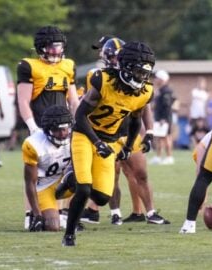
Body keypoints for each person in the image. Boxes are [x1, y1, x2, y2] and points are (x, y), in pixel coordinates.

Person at [62, 41, 156, 247]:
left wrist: (129, 146)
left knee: (102, 197)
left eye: (145, 73)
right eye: (140, 72)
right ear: (128, 67)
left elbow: (135, 120)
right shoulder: (102, 80)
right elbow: (79, 116)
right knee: (85, 188)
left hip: (109, 140)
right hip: (84, 134)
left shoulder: (145, 91)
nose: (143, 77)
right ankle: (69, 235)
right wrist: (96, 142)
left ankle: (70, 180)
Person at [79, 37, 169, 226]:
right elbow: (86, 108)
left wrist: (150, 132)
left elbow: (143, 107)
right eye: (111, 57)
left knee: (139, 172)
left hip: (128, 131)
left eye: (116, 57)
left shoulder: (138, 80)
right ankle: (112, 213)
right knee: (112, 174)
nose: (113, 61)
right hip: (104, 131)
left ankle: (147, 212)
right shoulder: (98, 76)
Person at [17, 25, 79, 229]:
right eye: (52, 47)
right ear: (42, 47)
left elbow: (73, 99)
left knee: (65, 167)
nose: (56, 51)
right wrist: (32, 126)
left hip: (64, 126)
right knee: (37, 173)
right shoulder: (29, 66)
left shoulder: (68, 65)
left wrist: (78, 122)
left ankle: (61, 211)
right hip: (41, 127)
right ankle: (30, 214)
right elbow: (23, 100)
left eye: (59, 47)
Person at [23, 105, 75, 232]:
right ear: (48, 130)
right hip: (44, 186)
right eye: (58, 130)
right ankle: (33, 215)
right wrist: (37, 215)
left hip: (64, 181)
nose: (63, 134)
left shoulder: (75, 138)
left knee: (85, 179)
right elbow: (30, 183)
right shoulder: (33, 145)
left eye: (65, 129)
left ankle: (74, 217)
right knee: (52, 226)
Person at [150, 70, 176, 165]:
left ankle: (169, 157)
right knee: (159, 138)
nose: (156, 80)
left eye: (157, 78)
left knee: (166, 137)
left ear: (162, 79)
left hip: (164, 118)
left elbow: (167, 106)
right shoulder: (160, 90)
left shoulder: (166, 91)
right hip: (159, 117)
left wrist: (163, 119)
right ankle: (158, 157)